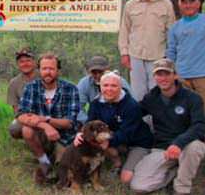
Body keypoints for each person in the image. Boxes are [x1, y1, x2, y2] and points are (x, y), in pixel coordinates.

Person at [129, 59, 205, 195]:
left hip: (187, 145)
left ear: (175, 76)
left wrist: (178, 144)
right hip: (162, 148)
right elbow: (133, 113)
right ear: (154, 77)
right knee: (139, 186)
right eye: (159, 74)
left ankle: (182, 190)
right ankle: (176, 171)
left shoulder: (192, 98)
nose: (163, 78)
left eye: (167, 74)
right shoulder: (151, 98)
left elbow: (200, 126)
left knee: (196, 147)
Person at [74, 71, 154, 184]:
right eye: (105, 85)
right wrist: (81, 134)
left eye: (114, 85)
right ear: (100, 87)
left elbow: (127, 134)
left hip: (137, 143)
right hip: (114, 139)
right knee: (90, 140)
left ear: (120, 87)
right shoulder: (95, 104)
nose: (109, 89)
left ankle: (141, 162)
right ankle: (117, 163)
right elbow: (89, 125)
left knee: (126, 179)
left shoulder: (131, 105)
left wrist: (108, 142)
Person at [16, 53, 80, 184]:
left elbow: (69, 122)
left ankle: (55, 160)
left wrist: (46, 119)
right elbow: (21, 114)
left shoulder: (70, 88)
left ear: (58, 70)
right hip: (42, 133)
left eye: (51, 69)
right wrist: (46, 126)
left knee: (66, 174)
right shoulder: (31, 87)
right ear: (39, 70)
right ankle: (44, 161)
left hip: (64, 136)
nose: (48, 72)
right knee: (26, 130)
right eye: (44, 69)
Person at [118, 0, 175, 101]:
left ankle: (157, 122)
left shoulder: (166, 4)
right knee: (138, 93)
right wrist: (124, 53)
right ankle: (141, 121)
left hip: (159, 55)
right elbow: (124, 30)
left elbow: (171, 32)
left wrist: (170, 56)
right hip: (135, 55)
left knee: (157, 91)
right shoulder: (130, 5)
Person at [75, 55, 132, 124]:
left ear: (107, 70)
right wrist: (89, 124)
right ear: (89, 72)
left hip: (118, 118)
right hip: (95, 121)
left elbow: (132, 104)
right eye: (94, 72)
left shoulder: (119, 81)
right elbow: (77, 107)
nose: (98, 75)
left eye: (100, 72)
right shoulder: (84, 83)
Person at [7, 47, 39, 139]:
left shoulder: (43, 76)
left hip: (46, 114)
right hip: (26, 116)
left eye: (28, 60)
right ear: (18, 64)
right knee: (14, 128)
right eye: (22, 61)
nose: (25, 64)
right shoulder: (14, 83)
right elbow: (16, 109)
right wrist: (27, 120)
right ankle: (29, 139)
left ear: (34, 62)